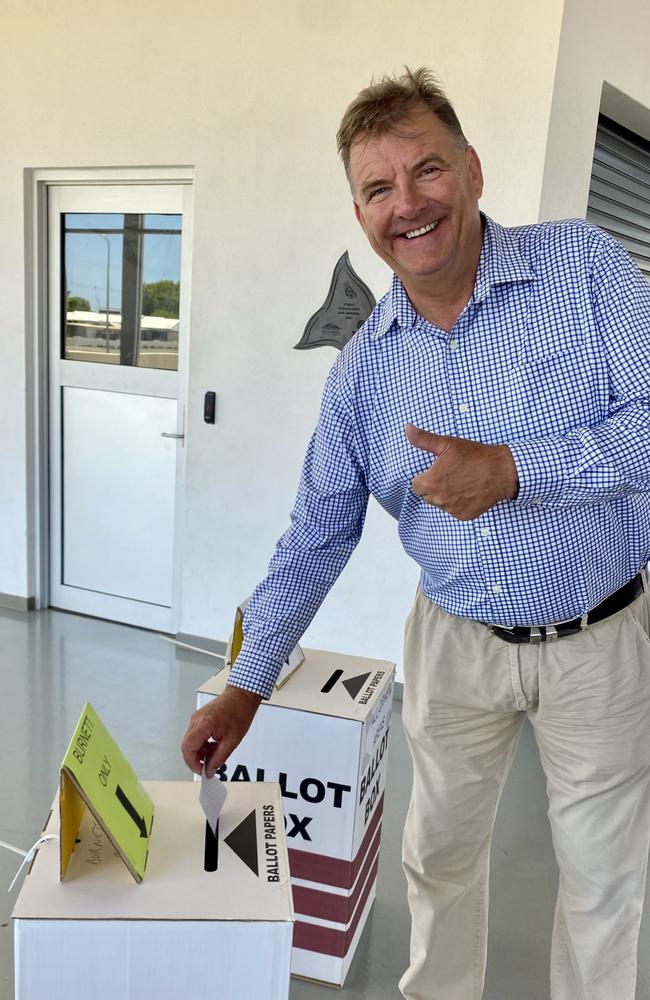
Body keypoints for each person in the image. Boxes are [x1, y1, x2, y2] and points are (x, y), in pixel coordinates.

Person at [182, 67, 650, 999]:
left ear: (472, 170)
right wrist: (244, 685)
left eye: (427, 170)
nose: (408, 204)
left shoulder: (586, 268)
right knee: (437, 861)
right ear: (358, 212)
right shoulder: (361, 374)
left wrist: (515, 468)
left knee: (607, 881)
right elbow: (315, 537)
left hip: (599, 640)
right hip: (453, 648)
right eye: (377, 188)